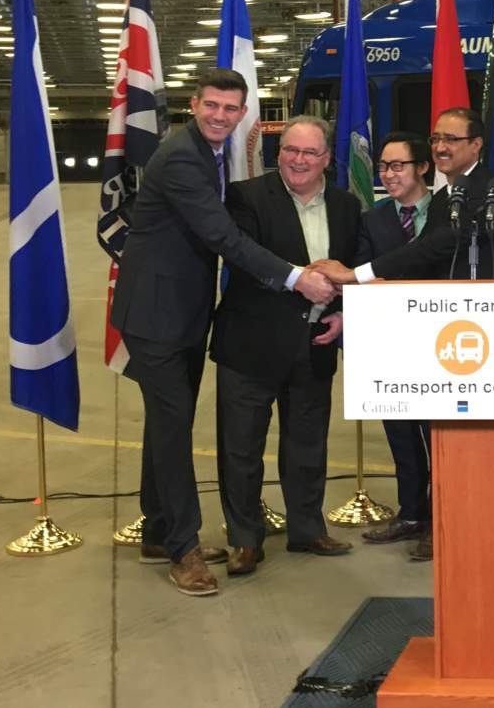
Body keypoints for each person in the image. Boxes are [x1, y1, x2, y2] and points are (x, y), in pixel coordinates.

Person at [314, 108, 494, 554]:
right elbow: (430, 259)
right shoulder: (449, 197)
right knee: (459, 428)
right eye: (436, 138)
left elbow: (441, 244)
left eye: (451, 138)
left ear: (475, 145)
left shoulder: (489, 190)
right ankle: (453, 518)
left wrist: (358, 273)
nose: (441, 146)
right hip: (458, 325)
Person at [112, 68, 336, 596]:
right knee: (172, 429)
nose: (220, 116)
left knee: (168, 424)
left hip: (182, 311)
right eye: (211, 105)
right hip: (155, 316)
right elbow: (224, 238)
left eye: (231, 109)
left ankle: (158, 528)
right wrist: (295, 277)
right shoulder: (182, 157)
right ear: (195, 105)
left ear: (242, 115)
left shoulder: (205, 152)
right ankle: (183, 549)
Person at [209, 116, 361, 576]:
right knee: (241, 448)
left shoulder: (348, 206)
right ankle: (245, 540)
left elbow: (350, 270)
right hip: (251, 345)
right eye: (291, 150)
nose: (298, 160)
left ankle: (307, 529)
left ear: (327, 160)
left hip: (315, 342)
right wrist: (302, 284)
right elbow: (247, 259)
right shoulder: (246, 197)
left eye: (309, 153)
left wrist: (342, 313)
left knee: (308, 444)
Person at [353, 133, 435, 559]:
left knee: (435, 433)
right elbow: (363, 275)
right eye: (384, 166)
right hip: (389, 340)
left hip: (439, 342)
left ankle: (440, 521)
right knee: (400, 433)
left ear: (422, 167)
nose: (388, 174)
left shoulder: (446, 212)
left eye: (398, 165)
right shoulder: (374, 220)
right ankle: (411, 514)